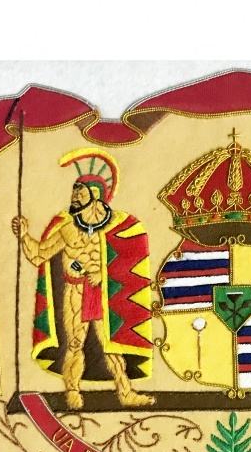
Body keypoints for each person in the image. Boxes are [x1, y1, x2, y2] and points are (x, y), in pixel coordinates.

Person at [12, 148, 154, 409]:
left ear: (96, 195)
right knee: (75, 344)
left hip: (103, 294)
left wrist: (103, 273)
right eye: (74, 191)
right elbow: (39, 255)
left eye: (81, 191)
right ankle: (72, 392)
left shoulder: (116, 226)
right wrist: (23, 236)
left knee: (111, 346)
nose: (75, 195)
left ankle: (125, 392)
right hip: (76, 291)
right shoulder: (67, 228)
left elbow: (129, 261)